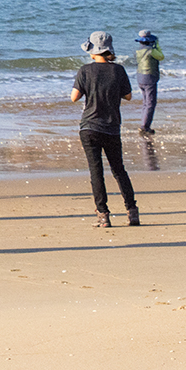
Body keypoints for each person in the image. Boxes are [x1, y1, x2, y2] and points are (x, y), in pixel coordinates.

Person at [70, 30, 139, 228]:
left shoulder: (85, 70)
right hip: (112, 126)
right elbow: (128, 96)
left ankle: (103, 214)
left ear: (93, 51)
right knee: (119, 170)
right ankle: (132, 211)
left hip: (89, 126)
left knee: (96, 171)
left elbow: (74, 97)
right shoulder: (118, 70)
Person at [134, 30, 165, 135]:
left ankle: (144, 124)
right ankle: (145, 127)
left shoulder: (138, 51)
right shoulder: (151, 51)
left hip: (140, 77)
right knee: (151, 103)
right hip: (149, 78)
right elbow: (161, 56)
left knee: (145, 103)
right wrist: (157, 45)